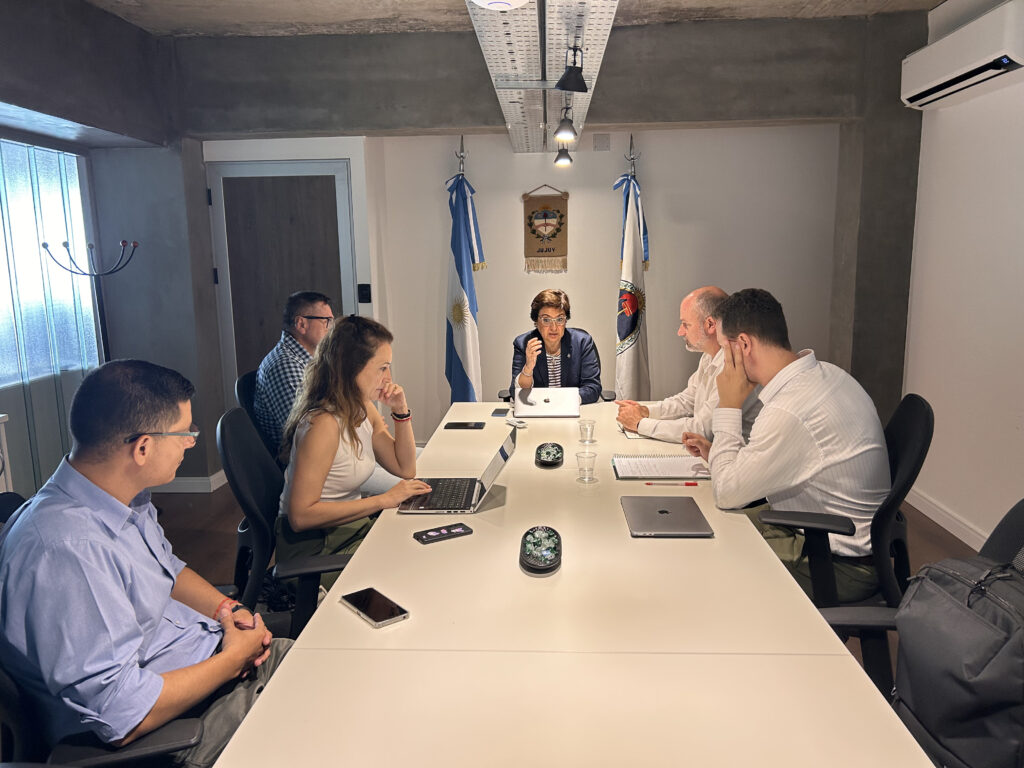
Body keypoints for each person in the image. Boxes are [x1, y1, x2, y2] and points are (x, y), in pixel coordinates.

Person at [0, 360, 288, 767]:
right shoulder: (66, 551)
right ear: (143, 448)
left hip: (207, 658)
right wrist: (230, 661)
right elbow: (123, 713)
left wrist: (229, 609)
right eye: (184, 432)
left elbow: (167, 570)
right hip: (183, 725)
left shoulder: (121, 497)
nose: (191, 442)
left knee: (339, 667)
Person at [683, 288, 890, 603]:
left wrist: (729, 404)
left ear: (743, 345)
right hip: (827, 535)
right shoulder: (828, 375)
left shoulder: (790, 410)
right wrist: (718, 454)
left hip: (837, 565)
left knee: (705, 552)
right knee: (703, 522)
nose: (723, 365)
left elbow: (726, 493)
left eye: (725, 350)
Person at [277, 316, 431, 588]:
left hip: (350, 529)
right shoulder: (323, 424)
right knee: (414, 570)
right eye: (382, 368)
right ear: (352, 368)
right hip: (316, 548)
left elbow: (405, 468)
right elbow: (300, 517)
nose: (388, 378)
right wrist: (384, 500)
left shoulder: (362, 408)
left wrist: (400, 410)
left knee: (423, 548)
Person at [615, 286, 760, 442]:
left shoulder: (734, 365)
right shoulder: (710, 355)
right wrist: (646, 411)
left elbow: (703, 430)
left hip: (734, 454)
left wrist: (640, 424)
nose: (680, 332)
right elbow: (687, 401)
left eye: (686, 324)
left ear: (711, 325)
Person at [253, 290, 335, 454]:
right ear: (301, 324)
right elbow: (306, 432)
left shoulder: (309, 360)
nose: (331, 329)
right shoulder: (284, 365)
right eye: (326, 321)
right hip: (303, 458)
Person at [511, 289, 602, 404]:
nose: (554, 328)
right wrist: (528, 368)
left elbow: (593, 388)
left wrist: (565, 402)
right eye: (546, 320)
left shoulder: (582, 342)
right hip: (538, 409)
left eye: (559, 319)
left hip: (571, 408)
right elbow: (516, 393)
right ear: (536, 321)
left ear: (565, 320)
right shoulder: (523, 344)